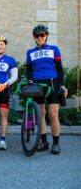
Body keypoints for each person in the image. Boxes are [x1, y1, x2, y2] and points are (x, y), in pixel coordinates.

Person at [26, 24, 68, 154]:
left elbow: (59, 68)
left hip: (52, 83)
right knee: (41, 114)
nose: (40, 37)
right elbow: (29, 71)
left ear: (46, 36)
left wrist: (62, 85)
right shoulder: (30, 52)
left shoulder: (54, 49)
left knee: (53, 114)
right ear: (34, 37)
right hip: (38, 85)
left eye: (42, 35)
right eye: (37, 35)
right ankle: (43, 141)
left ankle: (56, 143)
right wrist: (29, 80)